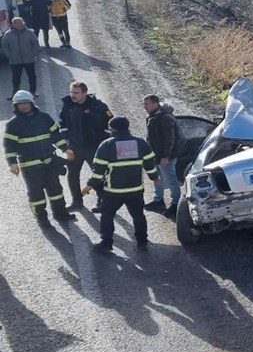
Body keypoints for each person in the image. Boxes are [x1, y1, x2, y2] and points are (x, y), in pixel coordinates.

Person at [86, 116, 157, 252]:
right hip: (135, 189)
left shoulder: (107, 145)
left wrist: (90, 184)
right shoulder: (140, 142)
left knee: (107, 216)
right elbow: (149, 162)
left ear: (113, 128)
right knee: (138, 215)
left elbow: (98, 169)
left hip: (114, 191)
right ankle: (142, 242)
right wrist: (155, 177)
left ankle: (106, 244)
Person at [4, 91, 74, 228]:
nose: (24, 106)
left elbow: (55, 135)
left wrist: (65, 149)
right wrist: (12, 163)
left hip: (49, 162)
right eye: (20, 104)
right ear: (16, 106)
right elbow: (9, 146)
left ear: (31, 103)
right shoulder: (13, 124)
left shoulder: (45, 118)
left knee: (56, 190)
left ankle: (61, 213)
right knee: (36, 194)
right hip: (29, 166)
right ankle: (42, 218)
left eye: (26, 103)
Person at [59, 81, 112, 212]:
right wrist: (66, 140)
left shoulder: (98, 106)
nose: (73, 95)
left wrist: (102, 143)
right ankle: (76, 202)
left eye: (76, 93)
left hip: (93, 147)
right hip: (75, 147)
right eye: (71, 92)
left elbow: (110, 125)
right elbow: (62, 122)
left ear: (84, 93)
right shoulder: (68, 105)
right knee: (72, 175)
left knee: (98, 174)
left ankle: (102, 201)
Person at [143, 94, 183, 215]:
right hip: (156, 154)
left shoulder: (165, 118)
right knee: (157, 177)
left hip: (166, 156)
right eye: (144, 104)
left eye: (147, 104)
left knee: (171, 180)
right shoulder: (152, 116)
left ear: (155, 103)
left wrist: (166, 156)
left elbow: (170, 139)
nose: (144, 107)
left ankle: (176, 204)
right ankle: (158, 200)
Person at [1, 17, 38, 99]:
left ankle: (33, 91)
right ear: (13, 25)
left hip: (29, 59)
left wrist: (33, 54)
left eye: (21, 23)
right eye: (17, 23)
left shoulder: (30, 33)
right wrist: (9, 56)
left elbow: (35, 43)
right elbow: (5, 46)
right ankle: (15, 93)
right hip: (15, 60)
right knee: (15, 78)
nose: (20, 25)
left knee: (32, 76)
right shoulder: (8, 34)